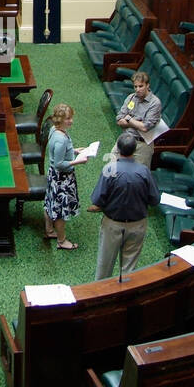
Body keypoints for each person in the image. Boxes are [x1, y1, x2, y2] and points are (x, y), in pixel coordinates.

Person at [89, 131, 160, 280]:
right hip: (137, 225)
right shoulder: (144, 171)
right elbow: (154, 200)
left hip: (112, 225)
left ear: (118, 149)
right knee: (129, 270)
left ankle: (101, 297)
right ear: (135, 151)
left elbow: (97, 199)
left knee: (104, 267)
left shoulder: (110, 170)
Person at [42, 103, 87, 250]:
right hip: (62, 179)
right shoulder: (61, 139)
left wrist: (74, 150)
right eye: (68, 118)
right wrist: (77, 161)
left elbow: (58, 154)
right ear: (60, 119)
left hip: (53, 177)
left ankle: (49, 230)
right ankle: (62, 241)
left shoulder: (55, 130)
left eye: (71, 117)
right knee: (60, 212)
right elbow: (59, 164)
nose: (71, 121)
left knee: (50, 202)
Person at [107, 70, 163, 168]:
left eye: (140, 86)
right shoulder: (131, 98)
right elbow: (119, 120)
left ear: (147, 85)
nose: (137, 89)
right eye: (135, 86)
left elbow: (145, 127)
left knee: (138, 176)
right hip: (126, 139)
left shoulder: (155, 103)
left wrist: (128, 118)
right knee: (111, 167)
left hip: (142, 144)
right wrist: (136, 122)